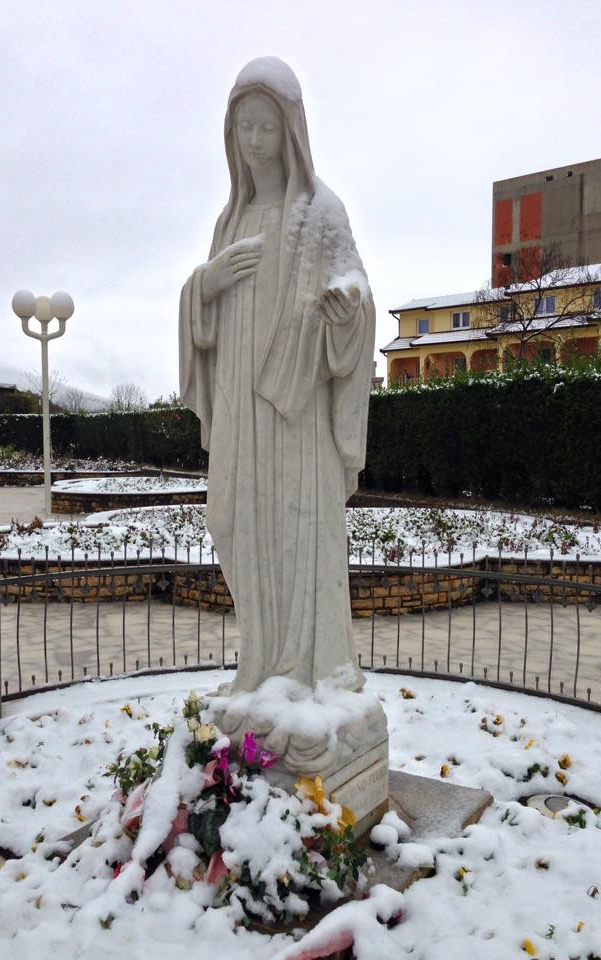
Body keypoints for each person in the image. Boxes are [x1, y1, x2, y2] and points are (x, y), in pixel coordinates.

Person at [179, 57, 375, 695]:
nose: (255, 141)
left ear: (289, 129)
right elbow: (200, 312)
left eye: (266, 126)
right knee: (231, 522)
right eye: (244, 128)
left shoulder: (320, 212)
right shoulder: (227, 221)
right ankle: (259, 660)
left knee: (295, 532)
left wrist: (346, 305)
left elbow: (355, 285)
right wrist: (205, 284)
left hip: (293, 409)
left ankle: (306, 669)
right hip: (239, 401)